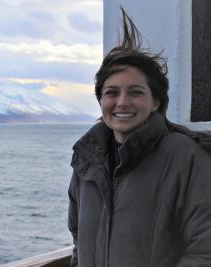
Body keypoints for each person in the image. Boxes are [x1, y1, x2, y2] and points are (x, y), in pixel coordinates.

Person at [68, 7, 211, 267]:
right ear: (101, 100)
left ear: (156, 101)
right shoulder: (86, 160)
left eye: (135, 92)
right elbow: (79, 238)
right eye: (112, 92)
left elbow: (205, 251)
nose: (122, 102)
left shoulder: (186, 157)